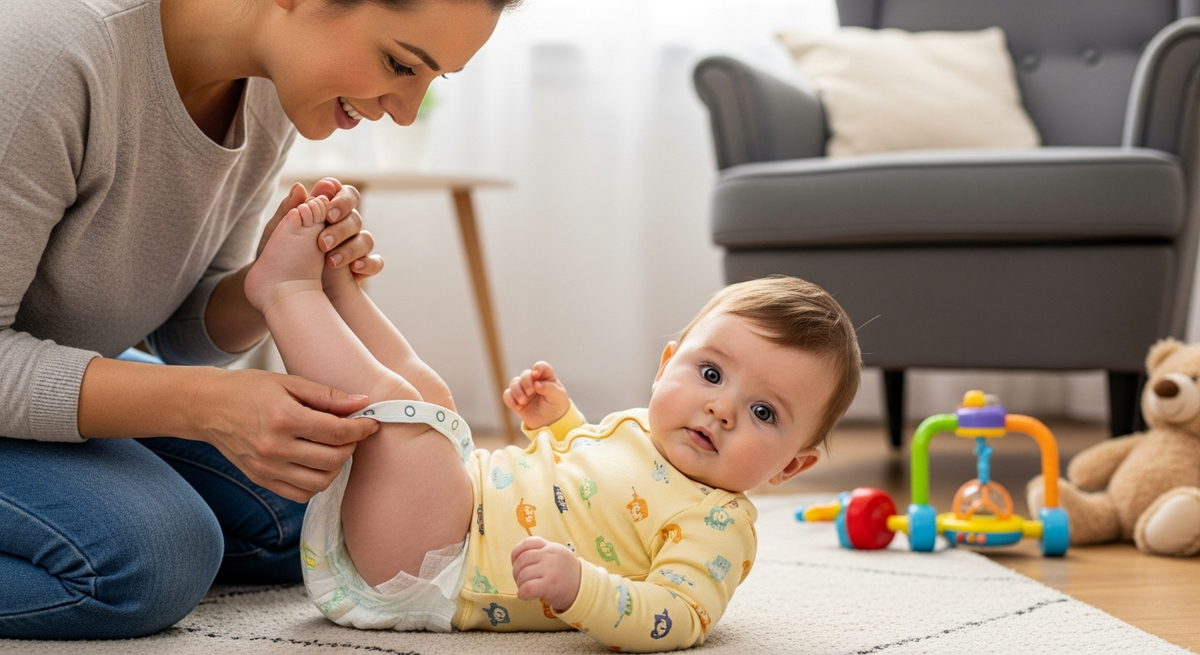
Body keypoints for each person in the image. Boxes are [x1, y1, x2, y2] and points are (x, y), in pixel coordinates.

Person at [0, 0, 516, 640]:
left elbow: (179, 334)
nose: (406, 113)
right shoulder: (54, 52)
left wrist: (272, 283)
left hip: (49, 365)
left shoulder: (269, 90)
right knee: (150, 560)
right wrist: (205, 406)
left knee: (319, 503)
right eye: (400, 64)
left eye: (432, 81)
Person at [241, 195, 862, 650]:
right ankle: (341, 293)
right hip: (461, 499)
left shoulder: (716, 523)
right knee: (427, 392)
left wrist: (582, 588)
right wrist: (559, 423)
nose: (721, 408)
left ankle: (285, 295)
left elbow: (677, 615)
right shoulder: (643, 433)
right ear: (667, 364)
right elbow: (597, 486)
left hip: (442, 566)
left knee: (405, 415)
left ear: (792, 465)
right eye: (710, 373)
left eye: (763, 412)